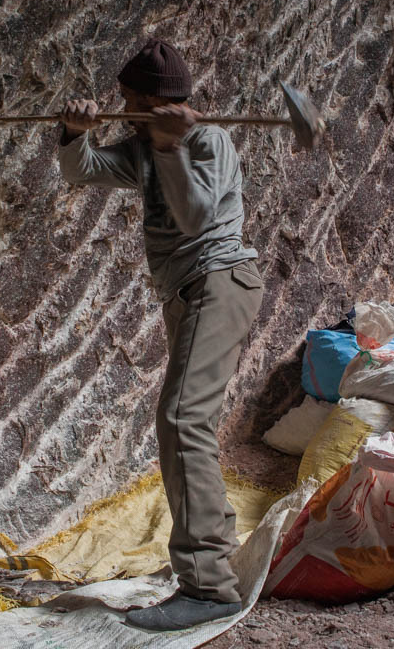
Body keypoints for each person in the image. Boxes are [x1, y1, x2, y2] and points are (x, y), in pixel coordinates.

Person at [57, 38, 263, 631]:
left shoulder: (208, 140)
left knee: (181, 419)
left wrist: (171, 145)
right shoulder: (144, 145)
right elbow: (83, 173)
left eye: (128, 101)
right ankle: (210, 558)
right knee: (185, 419)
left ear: (155, 102)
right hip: (186, 291)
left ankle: (207, 586)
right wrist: (76, 133)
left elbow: (197, 215)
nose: (121, 109)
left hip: (218, 280)